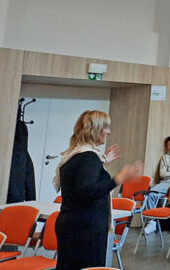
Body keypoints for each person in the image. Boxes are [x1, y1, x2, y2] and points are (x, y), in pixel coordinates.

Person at [54, 110, 143, 270]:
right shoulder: (89, 157)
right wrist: (120, 177)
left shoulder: (75, 154)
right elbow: (88, 191)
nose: (109, 132)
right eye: (106, 127)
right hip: (85, 230)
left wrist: (102, 161)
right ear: (95, 130)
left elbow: (82, 179)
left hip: (73, 225)